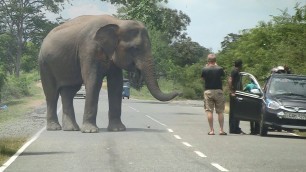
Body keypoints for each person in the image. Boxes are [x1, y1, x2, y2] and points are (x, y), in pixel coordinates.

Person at [201, 54, 227, 135]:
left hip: (208, 91)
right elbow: (223, 75)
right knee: (220, 112)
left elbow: (202, 78)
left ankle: (212, 130)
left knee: (209, 111)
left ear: (208, 60)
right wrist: (217, 66)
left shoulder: (204, 69)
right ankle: (221, 130)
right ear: (215, 61)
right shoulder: (220, 69)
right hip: (218, 91)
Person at [228, 59, 245, 134]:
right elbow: (230, 80)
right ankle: (233, 128)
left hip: (238, 93)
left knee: (237, 111)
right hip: (234, 94)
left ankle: (236, 127)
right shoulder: (234, 71)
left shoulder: (237, 71)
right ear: (240, 65)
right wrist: (232, 91)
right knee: (234, 111)